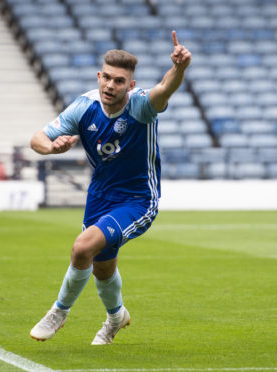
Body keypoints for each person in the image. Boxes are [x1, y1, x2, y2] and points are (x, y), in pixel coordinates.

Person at [29, 31, 191, 345]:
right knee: (102, 268)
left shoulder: (141, 107)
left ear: (130, 86)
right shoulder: (84, 106)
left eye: (119, 81)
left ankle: (59, 312)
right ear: (99, 76)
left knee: (82, 247)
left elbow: (163, 90)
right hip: (99, 195)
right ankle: (116, 317)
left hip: (137, 199)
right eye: (107, 78)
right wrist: (51, 148)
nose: (110, 86)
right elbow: (37, 137)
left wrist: (179, 69)